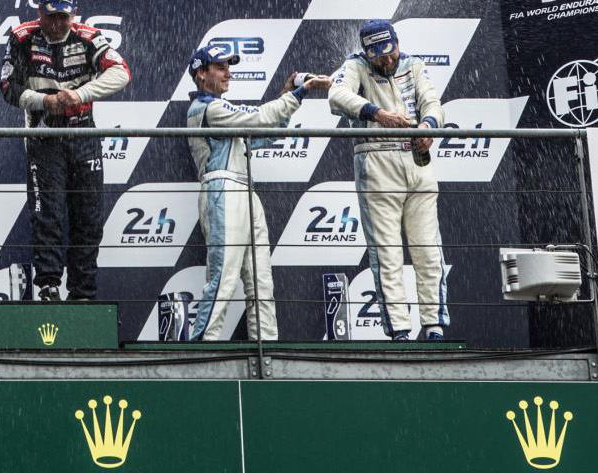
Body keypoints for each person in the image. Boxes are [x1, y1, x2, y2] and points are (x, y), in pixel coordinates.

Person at [183, 45, 328, 340]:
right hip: (222, 190)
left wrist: (288, 95)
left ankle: (266, 343)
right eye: (220, 68)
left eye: (229, 67)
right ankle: (203, 344)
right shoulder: (208, 108)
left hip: (244, 190)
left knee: (261, 278)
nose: (228, 73)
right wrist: (299, 93)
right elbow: (259, 118)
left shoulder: (223, 110)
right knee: (223, 277)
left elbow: (266, 133)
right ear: (201, 74)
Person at [0, 0, 130, 302]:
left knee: (89, 217)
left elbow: (121, 73)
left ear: (74, 14)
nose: (57, 23)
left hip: (83, 134)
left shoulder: (88, 36)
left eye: (63, 17)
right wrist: (45, 101)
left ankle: (83, 293)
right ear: (39, 13)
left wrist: (80, 94)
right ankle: (48, 287)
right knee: (48, 214)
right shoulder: (22, 37)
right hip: (44, 135)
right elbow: (7, 87)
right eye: (51, 16)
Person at [328, 19, 448, 340]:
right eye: (379, 55)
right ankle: (399, 331)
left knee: (428, 249)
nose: (387, 60)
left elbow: (433, 102)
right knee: (387, 253)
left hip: (417, 159)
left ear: (397, 42)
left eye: (390, 51)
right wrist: (378, 114)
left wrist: (428, 127)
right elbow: (336, 96)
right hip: (376, 160)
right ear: (367, 52)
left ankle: (434, 326)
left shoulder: (414, 64)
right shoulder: (355, 65)